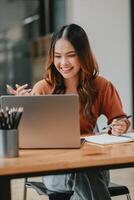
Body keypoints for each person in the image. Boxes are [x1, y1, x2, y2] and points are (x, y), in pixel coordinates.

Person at [7, 23, 130, 200]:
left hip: (94, 166)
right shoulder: (42, 89)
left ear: (83, 55)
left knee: (85, 170)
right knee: (84, 172)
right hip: (57, 168)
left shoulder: (101, 86)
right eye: (57, 56)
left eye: (71, 55)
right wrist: (21, 109)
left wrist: (120, 125)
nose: (63, 63)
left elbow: (120, 118)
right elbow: (27, 138)